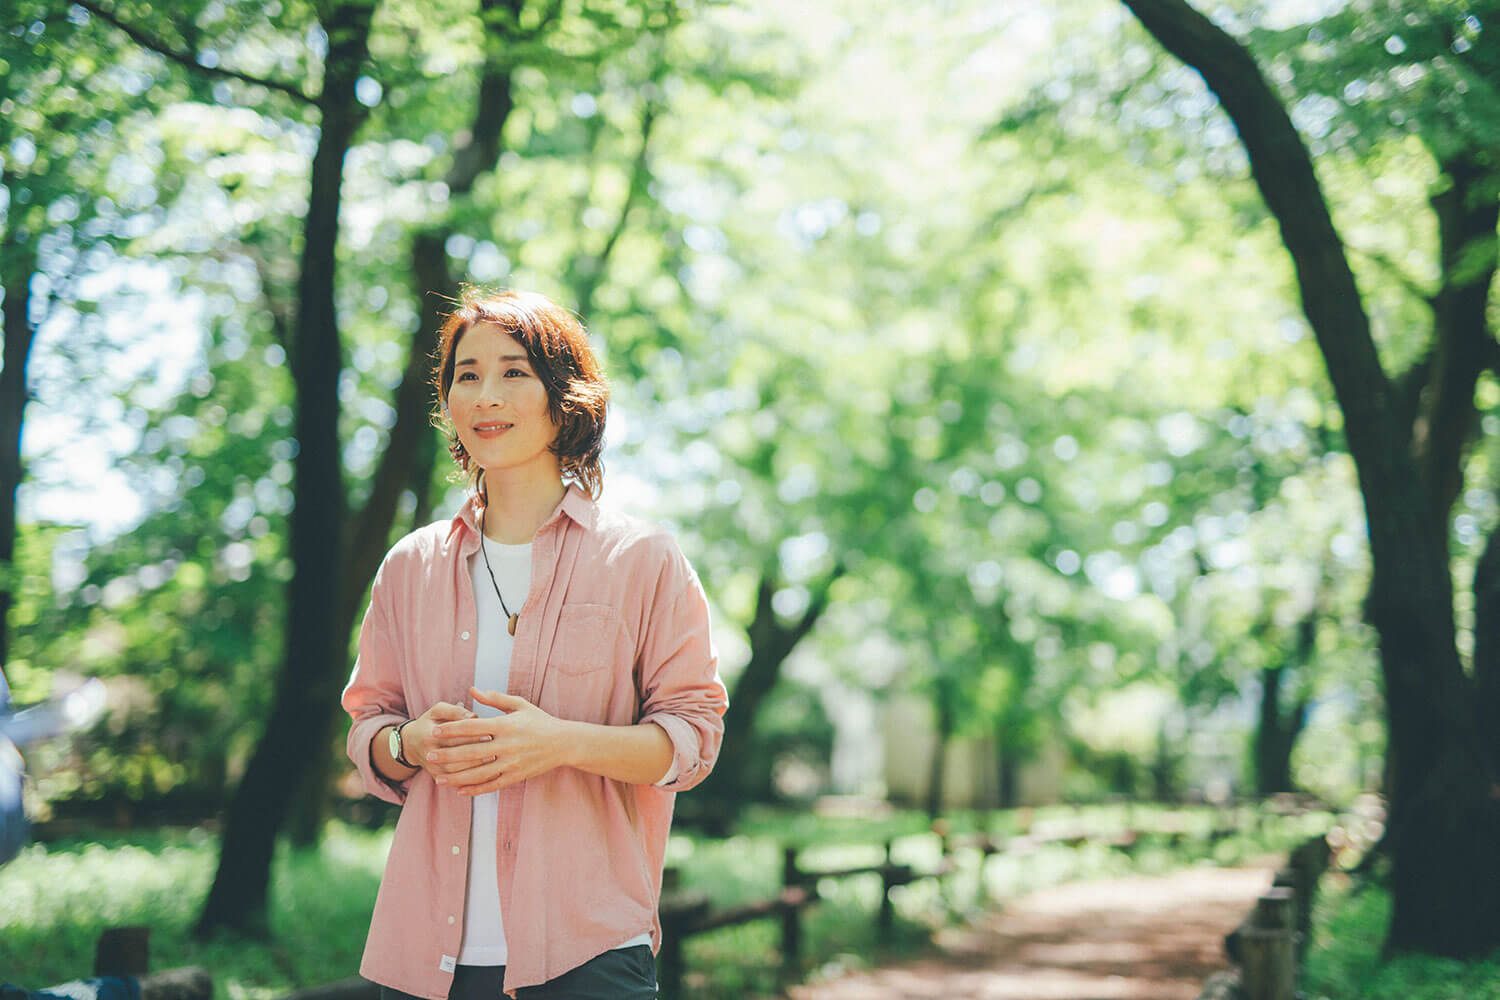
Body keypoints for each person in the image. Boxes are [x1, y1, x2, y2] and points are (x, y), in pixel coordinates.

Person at [341, 289, 727, 1000]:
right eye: (467, 374)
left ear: (564, 397)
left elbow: (693, 740)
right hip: (427, 955)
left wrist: (559, 743)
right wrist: (409, 744)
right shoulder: (409, 567)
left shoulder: (643, 559)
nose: (487, 394)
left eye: (515, 372)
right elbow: (369, 730)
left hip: (590, 948)